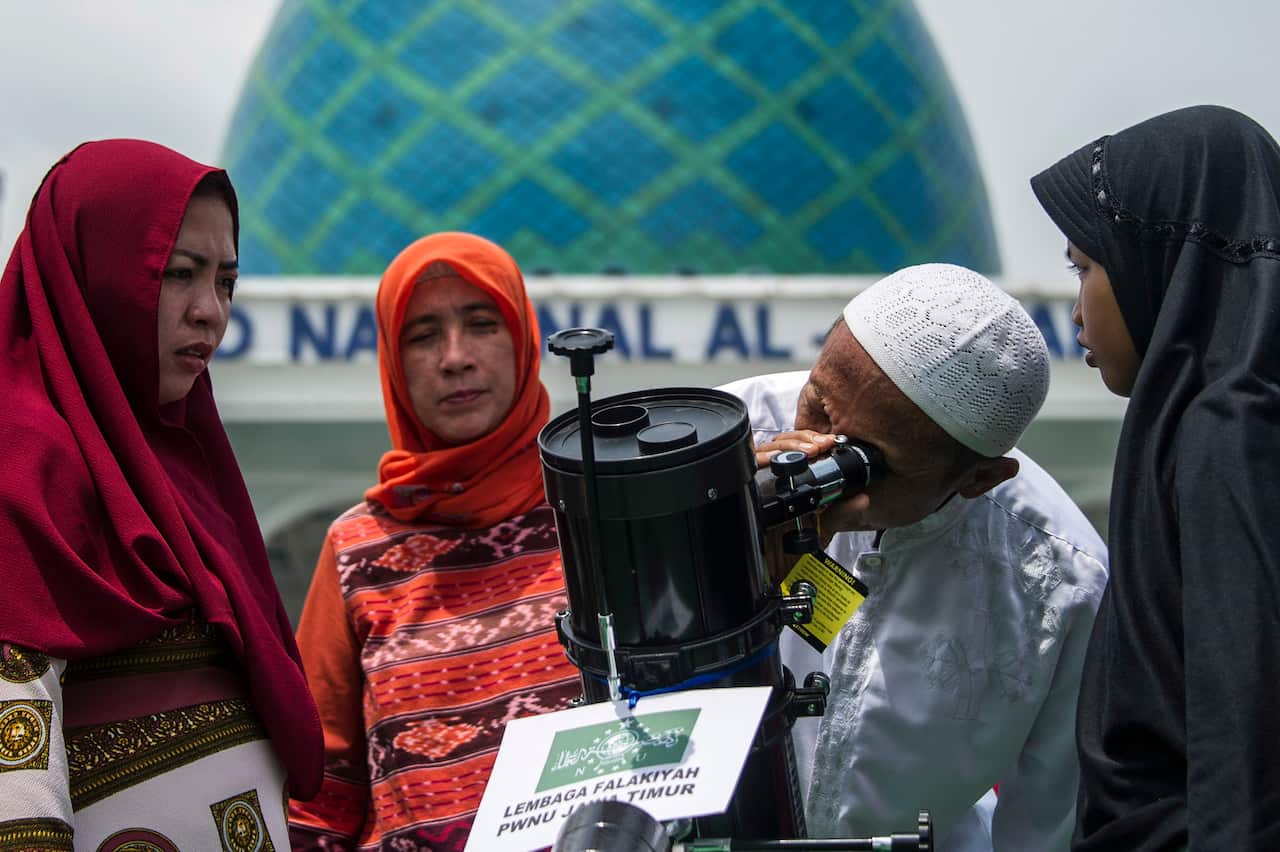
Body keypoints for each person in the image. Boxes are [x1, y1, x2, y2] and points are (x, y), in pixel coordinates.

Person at [720, 263, 1109, 852]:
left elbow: (1051, 820)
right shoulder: (720, 444)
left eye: (867, 461)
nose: (819, 454)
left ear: (979, 479)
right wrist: (726, 542)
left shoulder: (1062, 577)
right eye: (818, 406)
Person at [0, 140, 321, 849]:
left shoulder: (189, 481)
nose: (211, 312)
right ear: (92, 275)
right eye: (179, 274)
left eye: (227, 282)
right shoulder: (19, 471)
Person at [1032, 104, 1280, 850]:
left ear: (1159, 263)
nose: (1076, 313)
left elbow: (1244, 731)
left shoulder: (1225, 438)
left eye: (1086, 269)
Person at [288, 232, 580, 850]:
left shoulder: (599, 510)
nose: (455, 358)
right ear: (392, 362)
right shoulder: (356, 549)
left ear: (524, 341)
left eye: (482, 324)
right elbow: (318, 791)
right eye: (422, 336)